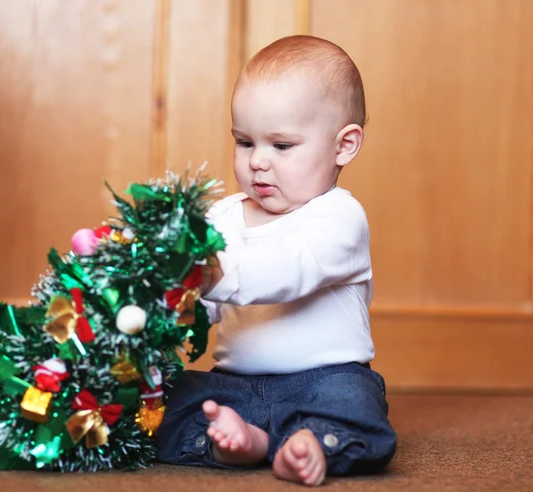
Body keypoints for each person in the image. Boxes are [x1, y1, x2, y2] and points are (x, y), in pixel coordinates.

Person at [155, 34, 396, 486]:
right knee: (168, 400)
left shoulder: (339, 217)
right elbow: (204, 308)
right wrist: (171, 305)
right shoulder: (222, 217)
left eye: (281, 146)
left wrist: (214, 274)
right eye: (245, 142)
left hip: (324, 381)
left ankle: (309, 441)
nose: (258, 162)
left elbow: (292, 268)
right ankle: (247, 443)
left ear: (344, 145)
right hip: (234, 383)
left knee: (357, 408)